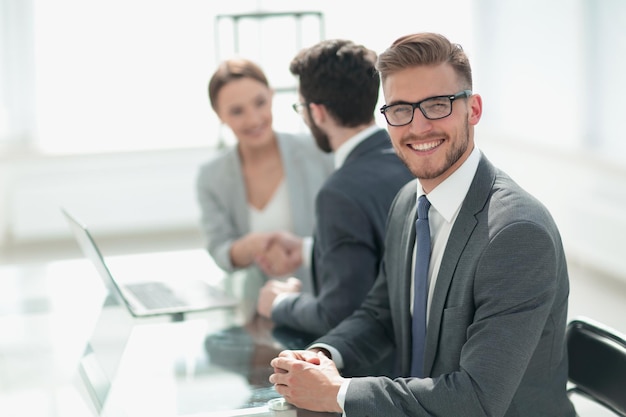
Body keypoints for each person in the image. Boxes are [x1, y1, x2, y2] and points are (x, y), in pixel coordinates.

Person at [268, 32, 577, 417]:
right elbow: (380, 315)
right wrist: (320, 357)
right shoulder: (408, 202)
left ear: (473, 109)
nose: (418, 127)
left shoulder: (516, 233)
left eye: (437, 105)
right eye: (400, 109)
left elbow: (477, 399)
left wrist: (339, 393)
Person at [255, 39, 414, 343]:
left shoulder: (339, 193)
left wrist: (279, 304)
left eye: (300, 107)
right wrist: (307, 250)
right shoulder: (409, 158)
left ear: (318, 113)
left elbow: (339, 315)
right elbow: (385, 255)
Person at [196, 58, 333, 286]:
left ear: (271, 95)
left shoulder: (318, 152)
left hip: (321, 302)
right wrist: (251, 246)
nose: (253, 119)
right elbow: (219, 250)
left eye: (259, 103)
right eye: (237, 111)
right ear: (219, 114)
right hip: (256, 310)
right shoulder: (211, 177)